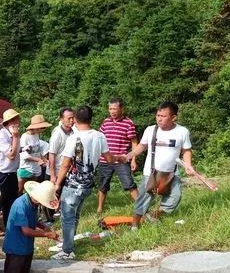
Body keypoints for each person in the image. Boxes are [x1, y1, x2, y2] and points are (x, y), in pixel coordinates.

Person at [53, 105, 122, 261]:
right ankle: (68, 243)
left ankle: (67, 250)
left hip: (73, 185)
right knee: (75, 215)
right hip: (88, 184)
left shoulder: (74, 138)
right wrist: (121, 157)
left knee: (67, 217)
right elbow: (109, 159)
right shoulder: (100, 136)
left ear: (75, 119)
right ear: (91, 119)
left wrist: (57, 185)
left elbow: (65, 164)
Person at [125, 101, 195, 230]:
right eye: (158, 115)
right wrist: (129, 155)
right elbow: (142, 146)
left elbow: (186, 150)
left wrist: (188, 165)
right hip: (151, 172)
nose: (159, 119)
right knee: (144, 198)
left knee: (175, 197)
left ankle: (154, 215)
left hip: (171, 172)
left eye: (163, 116)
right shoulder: (151, 130)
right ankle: (135, 225)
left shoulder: (182, 131)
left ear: (173, 117)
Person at [0, 181, 60, 273]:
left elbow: (34, 221)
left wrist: (44, 227)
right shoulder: (21, 205)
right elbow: (25, 230)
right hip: (16, 249)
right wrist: (46, 235)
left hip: (26, 248)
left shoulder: (33, 204)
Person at [97, 98, 139, 215]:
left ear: (121, 109)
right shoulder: (106, 122)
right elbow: (99, 139)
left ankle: (141, 207)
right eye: (110, 109)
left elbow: (134, 142)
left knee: (129, 183)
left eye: (114, 108)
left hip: (121, 160)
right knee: (103, 185)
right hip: (105, 160)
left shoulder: (128, 123)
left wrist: (133, 160)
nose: (112, 111)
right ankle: (99, 209)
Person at [0, 109, 21, 237]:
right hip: (0, 173)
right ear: (10, 122)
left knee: (11, 200)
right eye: (16, 119)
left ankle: (9, 225)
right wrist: (15, 137)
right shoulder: (1, 136)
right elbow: (12, 155)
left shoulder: (15, 135)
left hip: (12, 172)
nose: (18, 122)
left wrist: (16, 137)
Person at [18, 115, 52, 194]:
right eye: (41, 128)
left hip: (35, 169)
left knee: (32, 192)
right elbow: (24, 155)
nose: (42, 130)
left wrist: (43, 159)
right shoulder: (25, 137)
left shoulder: (36, 135)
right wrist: (38, 160)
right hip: (26, 169)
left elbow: (37, 149)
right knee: (20, 191)